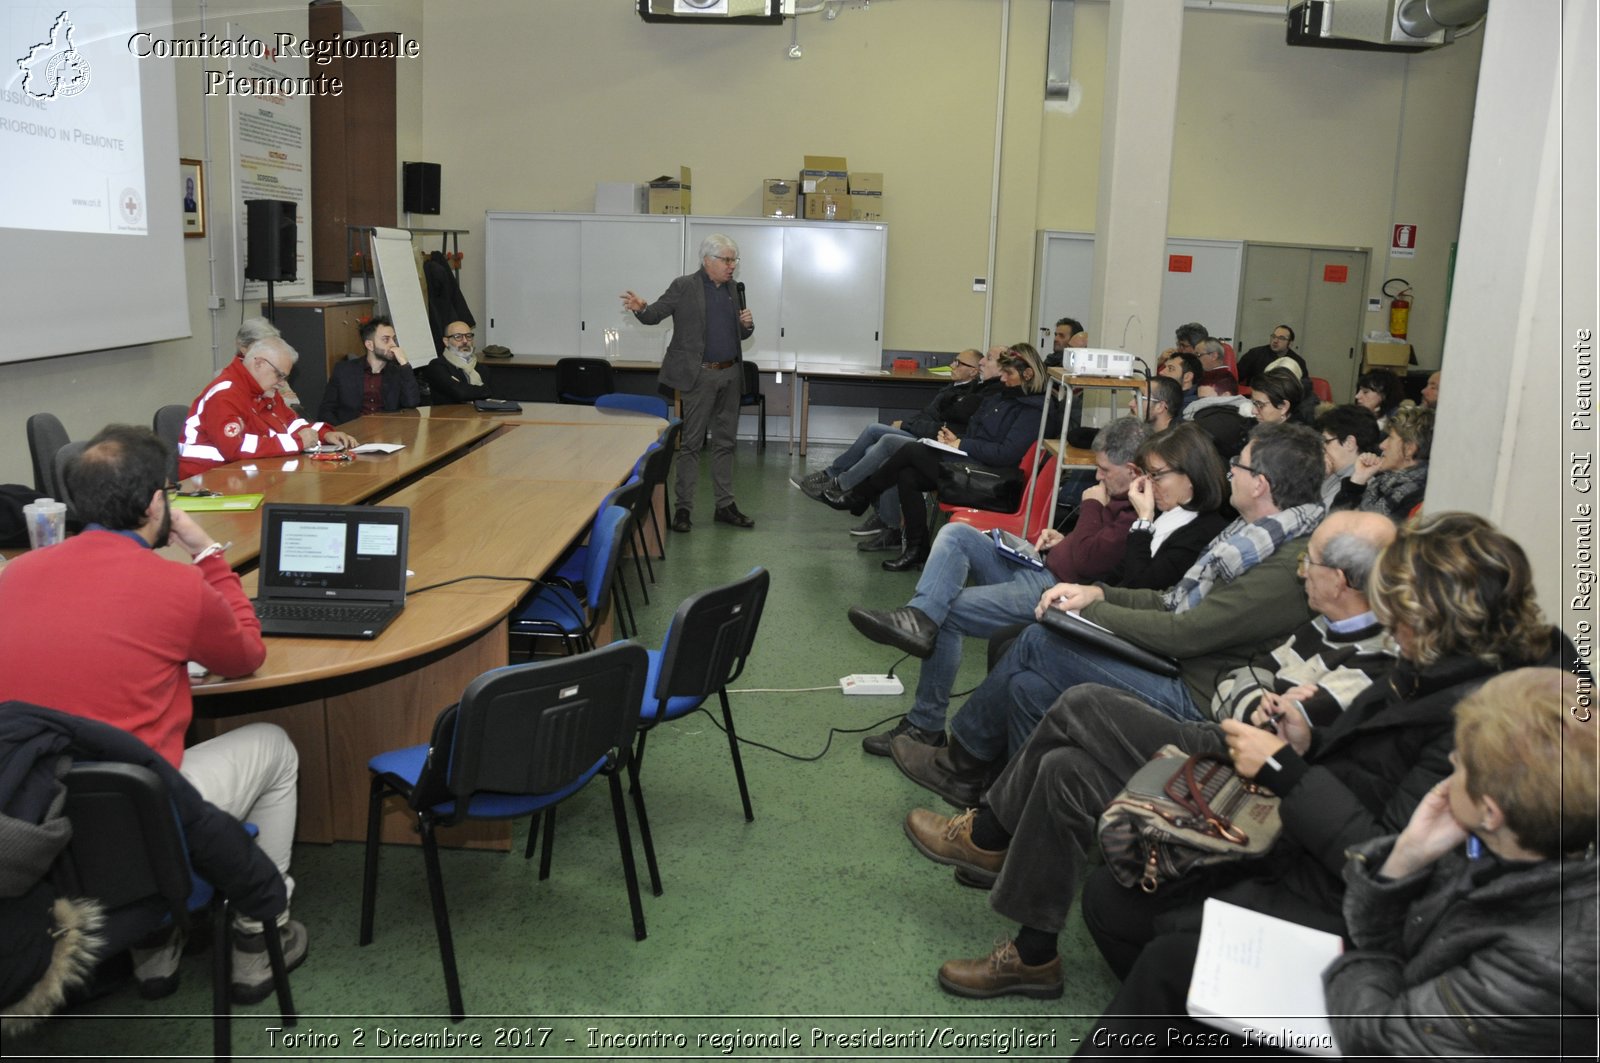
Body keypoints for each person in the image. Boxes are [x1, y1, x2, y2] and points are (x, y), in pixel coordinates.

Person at [1079, 512, 1571, 1037]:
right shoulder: (1439, 672)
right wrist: (1309, 742)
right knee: (1115, 898)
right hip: (1313, 861)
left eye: (1396, 608)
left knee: (1160, 945)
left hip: (1355, 908)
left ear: (1430, 616)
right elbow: (1369, 769)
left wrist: (1283, 769)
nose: (1384, 617)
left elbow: (1388, 860)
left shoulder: (1477, 719)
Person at [899, 510, 1397, 1000]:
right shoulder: (1324, 625)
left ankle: (988, 831)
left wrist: (1265, 717)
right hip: (1232, 741)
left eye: (1309, 563)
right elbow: (1240, 679)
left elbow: (1285, 740)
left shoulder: (1371, 663)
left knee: (1080, 702)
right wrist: (1260, 710)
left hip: (1249, 786)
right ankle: (1034, 958)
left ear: (1339, 580)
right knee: (1064, 770)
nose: (1300, 569)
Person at [0, 425, 307, 1002]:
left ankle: (154, 947)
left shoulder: (14, 576)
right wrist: (208, 551)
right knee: (274, 745)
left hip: (37, 822)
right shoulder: (174, 584)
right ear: (153, 504)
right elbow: (246, 654)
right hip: (144, 823)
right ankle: (257, 933)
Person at [890, 422, 1326, 807]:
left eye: (1241, 467)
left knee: (1039, 641)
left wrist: (1096, 605)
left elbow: (1184, 632)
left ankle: (958, 765)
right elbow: (1169, 599)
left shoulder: (1284, 563)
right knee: (1027, 684)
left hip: (1195, 693)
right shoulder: (1251, 538)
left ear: (1261, 484)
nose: (1232, 472)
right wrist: (1092, 592)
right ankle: (1004, 805)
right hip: (1183, 666)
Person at [1323, 668, 1597, 1059]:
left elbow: (1377, 1041)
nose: (1451, 759)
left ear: (1491, 812)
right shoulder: (1515, 838)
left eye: (1461, 764)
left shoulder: (1546, 968)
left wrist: (1353, 961)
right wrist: (1404, 860)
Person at [846, 417, 1157, 753]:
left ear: (1132, 470)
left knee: (947, 613)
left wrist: (1092, 505)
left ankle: (925, 725)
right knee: (957, 534)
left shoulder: (1137, 513)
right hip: (1040, 568)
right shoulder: (1118, 491)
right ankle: (917, 617)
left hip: (1053, 592)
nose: (1097, 477)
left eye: (1104, 470)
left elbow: (1088, 562)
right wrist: (1064, 538)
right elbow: (1090, 548)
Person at [818, 346, 1049, 571]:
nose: (1003, 379)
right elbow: (977, 430)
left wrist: (962, 444)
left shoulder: (1032, 411)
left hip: (993, 482)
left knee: (913, 451)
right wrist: (955, 438)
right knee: (907, 474)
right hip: (975, 465)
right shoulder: (1001, 398)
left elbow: (1005, 454)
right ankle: (916, 550)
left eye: (1008, 374)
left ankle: (859, 496)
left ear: (1028, 375)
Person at [792, 347, 1000, 552]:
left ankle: (840, 484)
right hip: (932, 437)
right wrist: (909, 424)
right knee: (875, 450)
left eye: (959, 362)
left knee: (883, 443)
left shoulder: (974, 395)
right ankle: (881, 516)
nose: (953, 365)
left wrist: (906, 425)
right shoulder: (965, 390)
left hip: (941, 445)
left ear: (975, 371)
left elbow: (943, 426)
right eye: (954, 360)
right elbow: (930, 417)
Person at [622, 233, 755, 532]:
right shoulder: (684, 286)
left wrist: (747, 326)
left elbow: (740, 334)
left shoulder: (734, 289)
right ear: (708, 260)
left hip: (731, 375)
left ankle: (725, 505)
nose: (732, 266)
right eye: (727, 260)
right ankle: (683, 509)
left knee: (725, 443)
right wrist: (641, 308)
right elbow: (655, 314)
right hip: (699, 377)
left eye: (734, 260)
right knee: (692, 445)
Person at [178, 335, 357, 479]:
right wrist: (297, 442)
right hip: (205, 481)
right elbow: (235, 448)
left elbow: (290, 423)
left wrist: (324, 434)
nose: (282, 383)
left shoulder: (263, 390)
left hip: (242, 475)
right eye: (279, 375)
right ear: (259, 364)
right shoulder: (224, 394)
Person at [318, 315, 422, 424]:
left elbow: (412, 404)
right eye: (386, 340)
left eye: (394, 339)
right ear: (369, 345)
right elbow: (326, 411)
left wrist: (405, 364)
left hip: (388, 433)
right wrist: (341, 432)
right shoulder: (344, 370)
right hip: (352, 434)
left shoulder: (398, 371)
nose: (393, 344)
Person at [1337, 404, 1433, 520]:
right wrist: (1358, 479)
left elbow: (1341, 526)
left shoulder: (1415, 497)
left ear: (1409, 449)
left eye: (1391, 438)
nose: (1382, 445)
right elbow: (1335, 520)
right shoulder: (1384, 481)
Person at [1315, 403, 1383, 511]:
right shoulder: (1335, 471)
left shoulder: (1362, 487)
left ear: (1349, 443)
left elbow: (1319, 519)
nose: (1322, 447)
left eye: (1326, 441)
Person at [420, 320, 491, 404]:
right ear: (446, 341)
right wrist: (486, 391)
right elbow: (460, 393)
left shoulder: (481, 368)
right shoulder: (437, 366)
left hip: (478, 415)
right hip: (448, 415)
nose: (465, 341)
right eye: (458, 337)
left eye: (468, 336)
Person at [1236, 324, 1307, 383]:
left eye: (1281, 338)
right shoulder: (1255, 354)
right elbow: (1236, 376)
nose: (1275, 341)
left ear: (1290, 343)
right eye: (1274, 336)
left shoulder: (1298, 362)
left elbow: (1304, 388)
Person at [1248, 366, 1314, 426]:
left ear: (1283, 407)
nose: (1253, 411)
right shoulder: (1262, 426)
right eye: (1254, 403)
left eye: (1260, 405)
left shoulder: (1295, 437)